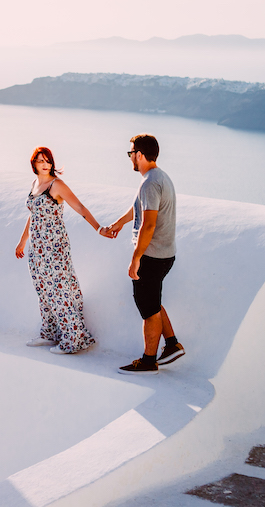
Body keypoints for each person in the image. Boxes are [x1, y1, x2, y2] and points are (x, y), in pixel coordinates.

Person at [100, 134, 184, 375]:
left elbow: (148, 224)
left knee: (148, 310)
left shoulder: (149, 183)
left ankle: (149, 360)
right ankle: (171, 344)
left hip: (152, 256)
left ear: (139, 154)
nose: (130, 159)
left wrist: (136, 258)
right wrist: (119, 223)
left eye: (131, 154)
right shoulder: (158, 178)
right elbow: (138, 206)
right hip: (166, 254)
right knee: (153, 301)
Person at [15, 147, 100, 354]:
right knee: (43, 291)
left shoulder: (57, 185)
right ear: (33, 163)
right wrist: (22, 241)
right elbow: (33, 214)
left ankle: (73, 340)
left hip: (55, 247)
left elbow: (79, 207)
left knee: (59, 292)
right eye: (40, 161)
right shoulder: (35, 184)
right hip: (37, 248)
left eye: (48, 161)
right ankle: (50, 333)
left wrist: (98, 227)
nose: (45, 164)